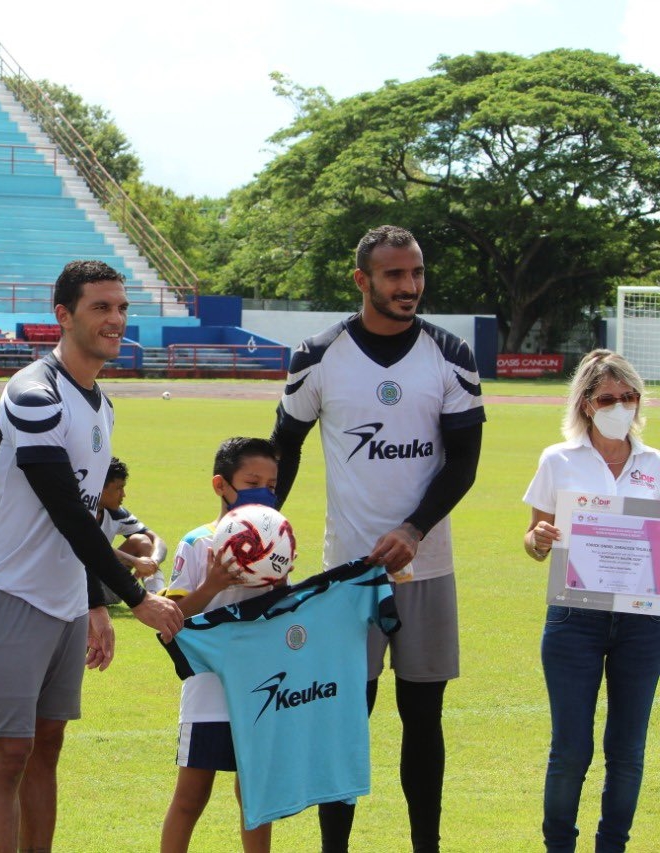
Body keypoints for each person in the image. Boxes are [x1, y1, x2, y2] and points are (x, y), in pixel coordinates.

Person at [270, 225, 485, 853]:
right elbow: (286, 448)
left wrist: (415, 530)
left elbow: (463, 463)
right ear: (362, 280)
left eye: (416, 273)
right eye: (394, 275)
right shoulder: (318, 354)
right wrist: (257, 528)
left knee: (424, 719)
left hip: (427, 569)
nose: (409, 286)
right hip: (346, 577)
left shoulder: (451, 354)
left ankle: (427, 845)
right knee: (342, 722)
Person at [0, 259, 184, 853]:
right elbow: (63, 509)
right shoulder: (34, 394)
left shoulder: (102, 405)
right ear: (62, 315)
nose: (116, 320)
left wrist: (93, 603)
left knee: (47, 745)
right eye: (100, 308)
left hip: (64, 599)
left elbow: (88, 515)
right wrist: (138, 598)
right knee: (7, 754)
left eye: (121, 308)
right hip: (10, 590)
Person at [522, 349, 660, 853]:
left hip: (643, 623)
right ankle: (559, 846)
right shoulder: (558, 459)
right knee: (571, 749)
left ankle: (612, 847)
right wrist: (536, 539)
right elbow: (534, 540)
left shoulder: (656, 464)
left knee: (627, 751)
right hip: (574, 618)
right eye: (608, 398)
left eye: (629, 397)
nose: (621, 406)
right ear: (585, 403)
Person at [160, 436, 280, 853]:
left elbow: (282, 617)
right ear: (221, 485)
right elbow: (172, 622)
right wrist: (212, 584)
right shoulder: (198, 542)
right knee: (191, 796)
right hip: (209, 689)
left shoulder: (278, 539)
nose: (264, 491)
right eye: (252, 480)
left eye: (272, 483)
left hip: (262, 687)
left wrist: (280, 586)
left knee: (255, 798)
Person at [98, 456, 169, 600]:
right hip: (74, 588)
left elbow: (157, 540)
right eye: (119, 488)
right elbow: (93, 544)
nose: (123, 494)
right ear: (99, 487)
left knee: (141, 540)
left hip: (103, 586)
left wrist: (152, 562)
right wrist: (135, 561)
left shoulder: (116, 513)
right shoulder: (78, 511)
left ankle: (159, 598)